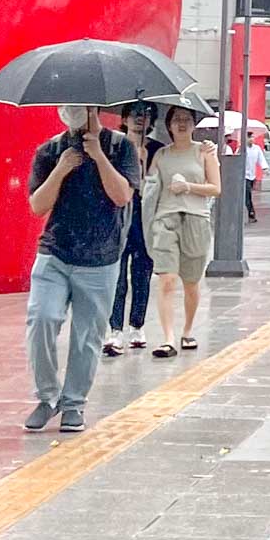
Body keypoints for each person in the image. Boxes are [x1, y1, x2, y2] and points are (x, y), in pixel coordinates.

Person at [23, 105, 140, 434]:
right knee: (41, 320)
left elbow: (121, 196)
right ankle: (47, 397)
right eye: (66, 105)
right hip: (55, 253)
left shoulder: (121, 147)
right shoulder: (50, 150)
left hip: (101, 258)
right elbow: (37, 205)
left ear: (95, 109)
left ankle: (73, 404)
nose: (71, 111)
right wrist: (61, 169)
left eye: (79, 105)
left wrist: (99, 156)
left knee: (87, 337)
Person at [147, 105, 220, 358]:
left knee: (191, 282)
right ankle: (168, 339)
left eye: (186, 120)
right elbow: (150, 188)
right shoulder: (161, 155)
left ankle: (187, 330)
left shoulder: (204, 152)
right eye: (176, 119)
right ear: (168, 125)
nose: (181, 124)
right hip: (165, 220)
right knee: (166, 279)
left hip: (196, 219)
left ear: (193, 125)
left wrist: (188, 186)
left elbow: (216, 188)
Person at [104, 102, 163, 358]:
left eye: (146, 116)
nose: (140, 120)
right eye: (136, 115)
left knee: (142, 274)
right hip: (118, 216)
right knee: (116, 276)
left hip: (145, 217)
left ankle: (136, 326)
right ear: (125, 118)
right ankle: (114, 329)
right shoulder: (113, 146)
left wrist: (145, 163)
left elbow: (159, 184)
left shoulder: (158, 150)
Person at [243, 133, 269, 222]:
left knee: (248, 195)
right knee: (247, 195)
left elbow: (261, 159)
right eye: (249, 137)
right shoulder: (242, 148)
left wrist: (265, 168)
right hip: (243, 176)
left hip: (252, 175)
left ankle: (250, 213)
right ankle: (251, 213)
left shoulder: (256, 148)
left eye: (252, 137)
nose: (251, 139)